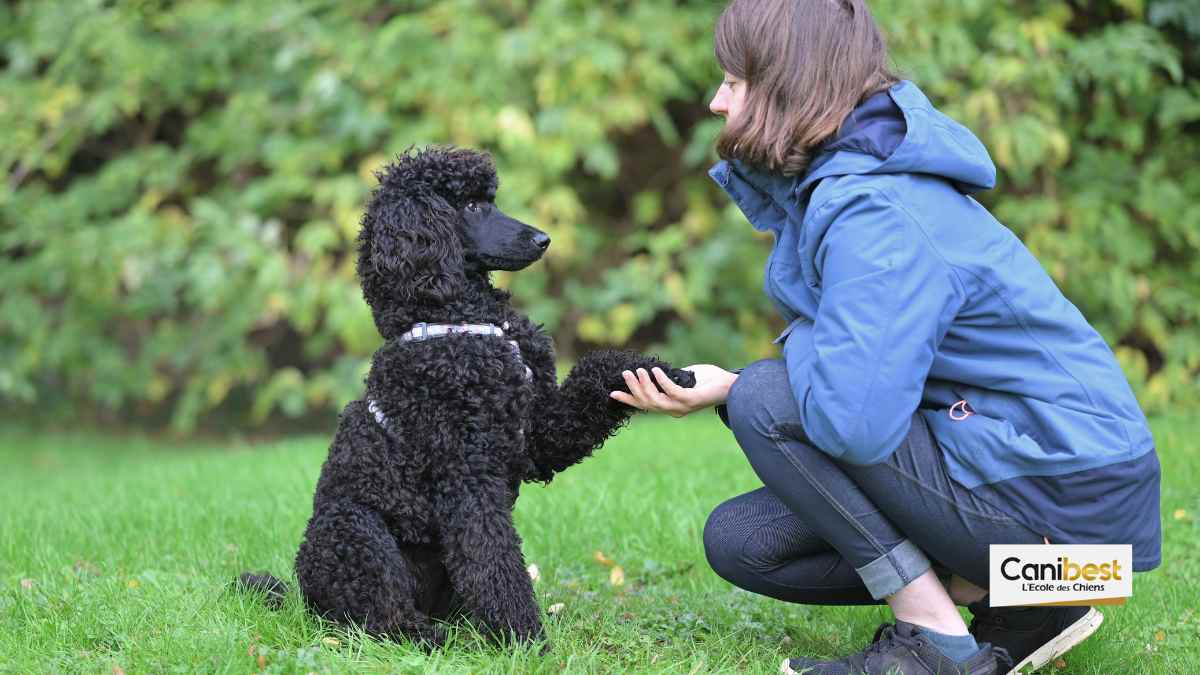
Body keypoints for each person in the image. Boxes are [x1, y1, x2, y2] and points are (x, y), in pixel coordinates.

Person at [608, 1, 1162, 674]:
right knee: (745, 540)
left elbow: (854, 424)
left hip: (1080, 532)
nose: (718, 101)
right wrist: (730, 386)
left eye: (734, 80)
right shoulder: (845, 185)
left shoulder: (877, 210)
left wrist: (754, 380)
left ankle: (935, 640)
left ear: (788, 82)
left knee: (766, 396)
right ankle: (1030, 605)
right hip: (1049, 509)